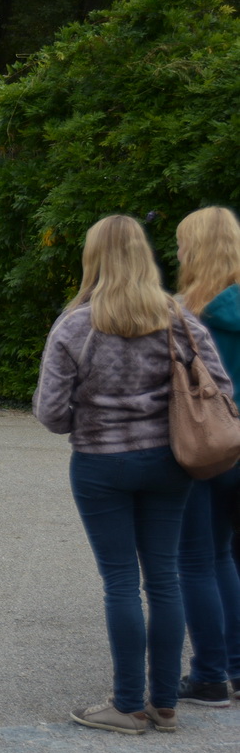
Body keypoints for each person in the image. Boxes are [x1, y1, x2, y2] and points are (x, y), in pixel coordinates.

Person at [34, 213, 225, 734]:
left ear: (92, 258)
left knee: (120, 581)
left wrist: (92, 416)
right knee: (164, 578)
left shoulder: (76, 325)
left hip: (100, 464)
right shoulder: (180, 319)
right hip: (169, 463)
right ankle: (164, 704)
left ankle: (126, 704)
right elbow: (221, 389)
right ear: (145, 255)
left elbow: (51, 412)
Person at [173, 206, 240, 709]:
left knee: (199, 559)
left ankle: (211, 675)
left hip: (208, 445)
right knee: (233, 558)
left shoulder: (182, 314)